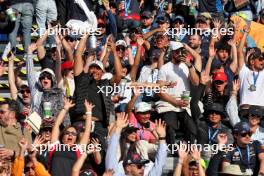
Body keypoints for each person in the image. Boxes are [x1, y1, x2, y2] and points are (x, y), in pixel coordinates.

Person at [156, 41, 200, 144]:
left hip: (184, 101)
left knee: (192, 129)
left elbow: (196, 82)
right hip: (169, 102)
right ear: (172, 53)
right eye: (177, 52)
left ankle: (189, 152)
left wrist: (189, 65)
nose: (180, 54)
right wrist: (175, 102)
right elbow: (159, 90)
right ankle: (171, 150)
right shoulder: (164, 68)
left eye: (182, 51)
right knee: (170, 127)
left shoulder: (187, 66)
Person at [48, 98, 93, 176]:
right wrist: (65, 108)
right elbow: (56, 125)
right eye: (67, 133)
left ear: (76, 138)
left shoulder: (78, 149)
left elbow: (87, 131)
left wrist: (89, 112)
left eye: (73, 134)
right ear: (62, 136)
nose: (70, 135)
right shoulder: (55, 146)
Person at [26, 43, 64, 123]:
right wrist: (29, 53)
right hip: (36, 128)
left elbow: (62, 113)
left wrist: (58, 48)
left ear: (52, 80)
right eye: (42, 77)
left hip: (52, 128)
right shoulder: (36, 91)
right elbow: (30, 75)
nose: (45, 78)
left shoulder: (58, 92)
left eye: (48, 77)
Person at [227, 80, 264, 145]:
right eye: (252, 115)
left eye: (258, 116)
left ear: (260, 119)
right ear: (248, 116)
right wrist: (234, 93)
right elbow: (231, 111)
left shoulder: (263, 132)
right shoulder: (240, 125)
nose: (255, 118)